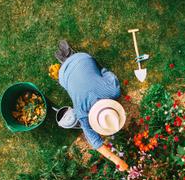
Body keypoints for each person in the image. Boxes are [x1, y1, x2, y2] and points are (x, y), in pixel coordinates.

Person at [54, 40, 129, 171]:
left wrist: (118, 161)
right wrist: (117, 160)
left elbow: (107, 73)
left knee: (89, 72)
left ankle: (70, 58)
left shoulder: (114, 91)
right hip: (63, 76)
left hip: (83, 58)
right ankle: (68, 60)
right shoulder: (81, 112)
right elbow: (93, 141)